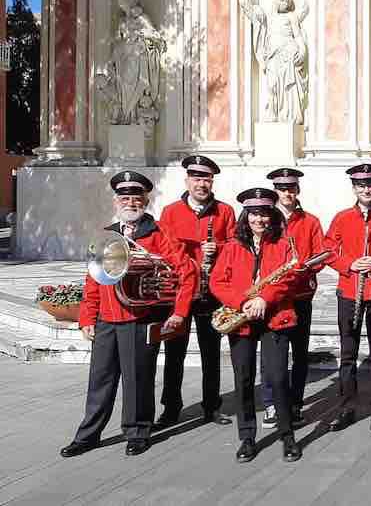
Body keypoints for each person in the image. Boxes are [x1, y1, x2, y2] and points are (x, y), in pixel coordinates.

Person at [61, 171, 196, 458]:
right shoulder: (106, 234)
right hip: (106, 319)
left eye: (136, 198)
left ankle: (137, 432)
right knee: (99, 380)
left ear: (146, 201)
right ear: (116, 202)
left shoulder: (159, 233)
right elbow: (93, 279)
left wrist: (180, 312)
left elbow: (188, 272)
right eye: (125, 198)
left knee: (138, 380)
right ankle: (88, 435)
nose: (131, 203)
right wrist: (87, 318)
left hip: (139, 319)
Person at [210, 187, 303, 463]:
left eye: (264, 214)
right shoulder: (232, 246)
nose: (259, 219)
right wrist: (243, 302)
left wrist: (265, 298)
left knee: (277, 378)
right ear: (245, 216)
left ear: (272, 216)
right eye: (253, 214)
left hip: (275, 318)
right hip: (242, 319)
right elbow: (217, 282)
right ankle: (247, 437)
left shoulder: (283, 243)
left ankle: (287, 435)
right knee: (244, 379)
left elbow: (290, 278)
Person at [155, 155, 236, 429]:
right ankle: (171, 408)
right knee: (174, 352)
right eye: (197, 178)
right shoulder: (170, 212)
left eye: (207, 179)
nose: (202, 184)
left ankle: (212, 407)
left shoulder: (225, 211)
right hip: (179, 291)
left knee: (211, 353)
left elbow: (236, 247)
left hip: (210, 292)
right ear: (187, 180)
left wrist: (219, 248)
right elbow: (164, 249)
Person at [324, 163, 371, 432]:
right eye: (360, 185)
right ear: (354, 188)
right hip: (349, 292)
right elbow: (327, 250)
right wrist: (349, 264)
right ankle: (346, 407)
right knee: (348, 354)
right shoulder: (342, 218)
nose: (366, 189)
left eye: (370, 184)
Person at [260, 168, 326, 427]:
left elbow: (322, 255)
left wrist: (306, 267)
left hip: (300, 294)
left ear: (298, 191)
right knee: (271, 354)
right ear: (275, 191)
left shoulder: (311, 221)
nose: (287, 193)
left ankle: (295, 404)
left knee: (299, 353)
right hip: (273, 298)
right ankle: (270, 403)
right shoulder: (266, 220)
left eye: (291, 189)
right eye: (282, 189)